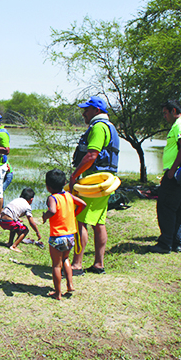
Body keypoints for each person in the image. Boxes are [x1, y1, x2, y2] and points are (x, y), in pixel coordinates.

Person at [69, 96, 120, 275]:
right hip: (104, 182)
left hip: (94, 182)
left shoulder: (98, 127)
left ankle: (77, 264)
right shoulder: (111, 127)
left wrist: (75, 176)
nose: (84, 113)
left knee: (80, 220)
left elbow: (91, 155)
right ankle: (99, 263)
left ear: (97, 111)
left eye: (87, 110)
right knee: (98, 222)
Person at [149, 100, 181, 253]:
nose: (164, 116)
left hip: (177, 173)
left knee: (166, 206)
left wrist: (172, 170)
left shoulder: (180, 125)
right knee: (179, 207)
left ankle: (165, 244)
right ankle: (176, 242)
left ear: (173, 110)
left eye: (165, 113)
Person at [42, 169, 87, 300]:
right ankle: (70, 285)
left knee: (56, 264)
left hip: (57, 236)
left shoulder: (52, 198)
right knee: (66, 259)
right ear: (64, 183)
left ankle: (57, 293)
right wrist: (74, 215)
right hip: (70, 236)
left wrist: (45, 216)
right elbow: (82, 204)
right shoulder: (68, 195)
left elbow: (52, 210)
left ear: (48, 187)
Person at [0, 187, 41, 252]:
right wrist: (37, 232)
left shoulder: (17, 200)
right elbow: (31, 222)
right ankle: (14, 246)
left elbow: (11, 211)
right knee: (25, 230)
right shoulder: (27, 206)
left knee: (15, 225)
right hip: (9, 222)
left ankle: (10, 243)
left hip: (1, 220)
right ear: (31, 200)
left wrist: (17, 219)